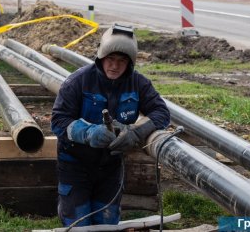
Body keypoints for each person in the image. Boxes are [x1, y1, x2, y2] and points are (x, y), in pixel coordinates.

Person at [51, 23, 170, 227]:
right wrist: (88, 133)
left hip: (111, 167)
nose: (115, 66)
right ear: (101, 57)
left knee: (107, 221)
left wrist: (137, 132)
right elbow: (58, 121)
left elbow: (162, 113)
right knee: (78, 222)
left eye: (121, 61)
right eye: (111, 59)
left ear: (130, 63)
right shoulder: (78, 82)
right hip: (75, 163)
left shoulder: (138, 84)